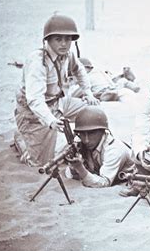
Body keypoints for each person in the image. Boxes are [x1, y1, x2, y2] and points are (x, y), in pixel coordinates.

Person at [15, 13, 99, 167]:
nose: (64, 44)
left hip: (57, 103)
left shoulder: (67, 55)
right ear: (48, 40)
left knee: (93, 111)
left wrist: (88, 92)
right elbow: (34, 100)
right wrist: (51, 121)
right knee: (39, 163)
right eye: (58, 39)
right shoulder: (38, 62)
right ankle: (21, 142)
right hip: (33, 115)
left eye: (68, 39)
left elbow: (79, 70)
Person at [64, 106, 137, 188]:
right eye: (82, 134)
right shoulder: (81, 144)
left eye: (91, 133)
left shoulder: (114, 150)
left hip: (125, 183)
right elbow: (69, 175)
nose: (86, 140)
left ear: (102, 131)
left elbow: (104, 183)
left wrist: (80, 168)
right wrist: (73, 167)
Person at [70, 57, 140, 102]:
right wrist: (120, 76)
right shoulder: (99, 71)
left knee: (92, 95)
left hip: (102, 91)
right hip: (113, 87)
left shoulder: (86, 77)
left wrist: (73, 96)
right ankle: (132, 86)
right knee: (122, 81)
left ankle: (109, 95)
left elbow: (79, 91)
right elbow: (111, 78)